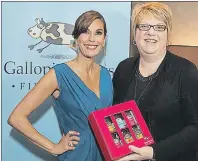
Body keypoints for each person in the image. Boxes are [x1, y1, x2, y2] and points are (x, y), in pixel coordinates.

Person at [8, 10, 113, 161]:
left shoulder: (105, 75)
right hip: (76, 156)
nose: (92, 39)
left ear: (104, 39)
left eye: (98, 32)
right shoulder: (58, 74)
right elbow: (16, 118)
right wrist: (53, 147)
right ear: (76, 38)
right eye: (85, 32)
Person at [113, 2, 198, 161]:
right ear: (135, 33)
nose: (151, 32)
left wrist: (154, 152)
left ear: (168, 35)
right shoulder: (123, 68)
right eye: (144, 26)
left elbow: (195, 128)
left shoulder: (186, 71)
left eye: (159, 27)